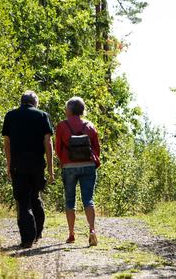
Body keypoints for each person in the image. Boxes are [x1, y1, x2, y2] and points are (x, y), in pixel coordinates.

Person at [1, 91, 55, 248]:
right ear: (35, 102)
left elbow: (7, 143)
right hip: (37, 164)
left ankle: (27, 239)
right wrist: (50, 169)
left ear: (21, 102)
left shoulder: (10, 116)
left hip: (18, 165)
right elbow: (48, 143)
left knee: (23, 202)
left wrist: (9, 165)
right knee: (35, 197)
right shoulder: (42, 116)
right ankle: (37, 233)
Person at [55, 96, 101, 246]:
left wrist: (65, 161)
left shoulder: (62, 126)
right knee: (88, 199)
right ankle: (92, 230)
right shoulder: (90, 125)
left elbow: (58, 149)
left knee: (70, 200)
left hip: (69, 166)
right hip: (88, 165)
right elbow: (96, 148)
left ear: (69, 110)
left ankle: (71, 234)